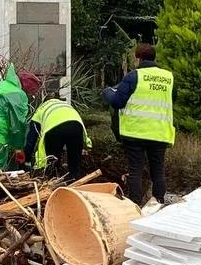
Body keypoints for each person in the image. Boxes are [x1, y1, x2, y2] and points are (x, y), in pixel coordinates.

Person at [104, 43, 175, 205]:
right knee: (158, 171)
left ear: (137, 59)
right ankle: (158, 203)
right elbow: (171, 100)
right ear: (154, 57)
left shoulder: (133, 76)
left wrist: (107, 92)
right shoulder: (168, 77)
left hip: (135, 132)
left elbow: (117, 102)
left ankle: (135, 204)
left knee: (135, 170)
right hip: (160, 132)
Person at [24, 97, 90, 180]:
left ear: (43, 102)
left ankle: (53, 183)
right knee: (74, 161)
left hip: (54, 128)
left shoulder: (40, 109)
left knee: (53, 162)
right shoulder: (64, 104)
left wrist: (27, 160)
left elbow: (31, 139)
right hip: (76, 125)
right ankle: (75, 182)